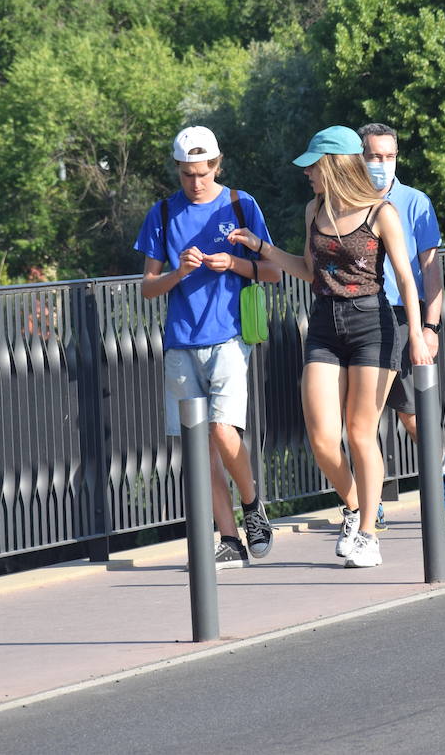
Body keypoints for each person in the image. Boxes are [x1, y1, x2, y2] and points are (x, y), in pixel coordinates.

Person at [228, 126, 430, 568]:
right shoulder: (313, 209)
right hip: (323, 323)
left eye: (314, 166)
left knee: (360, 432)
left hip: (373, 324)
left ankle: (368, 536)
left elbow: (407, 278)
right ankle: (358, 507)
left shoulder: (382, 213)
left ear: (335, 165)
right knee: (321, 438)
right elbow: (308, 268)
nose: (308, 174)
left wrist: (416, 333)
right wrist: (261, 248)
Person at [134, 127, 279, 569]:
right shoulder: (161, 214)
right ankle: (229, 538)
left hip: (231, 337)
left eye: (202, 172)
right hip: (181, 341)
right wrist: (178, 273)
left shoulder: (241, 204)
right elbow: (147, 288)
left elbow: (274, 271)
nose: (195, 182)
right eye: (185, 174)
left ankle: (253, 507)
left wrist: (234, 263)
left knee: (221, 429)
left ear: (217, 165)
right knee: (200, 448)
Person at [358, 123, 445, 521]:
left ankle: (440, 469)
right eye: (374, 157)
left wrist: (429, 328)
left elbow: (430, 270)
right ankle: (370, 504)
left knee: (408, 414)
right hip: (357, 312)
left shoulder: (414, 202)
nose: (382, 164)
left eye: (389, 156)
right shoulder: (348, 199)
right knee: (361, 414)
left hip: (403, 316)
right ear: (360, 158)